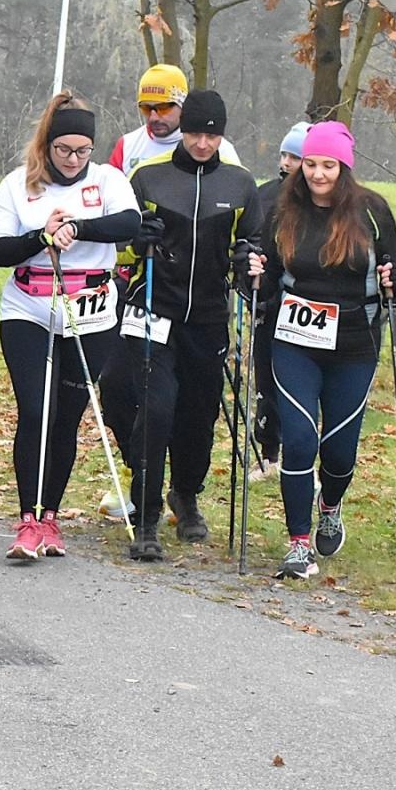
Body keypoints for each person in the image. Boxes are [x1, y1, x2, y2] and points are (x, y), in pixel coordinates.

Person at [0, 93, 140, 560]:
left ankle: (50, 515)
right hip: (29, 308)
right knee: (36, 410)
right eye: (64, 150)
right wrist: (41, 236)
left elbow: (129, 223)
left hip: (90, 312)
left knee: (67, 416)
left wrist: (78, 227)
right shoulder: (19, 184)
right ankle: (27, 519)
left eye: (82, 151)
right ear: (47, 146)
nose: (73, 160)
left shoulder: (108, 180)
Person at [258, 121, 396, 580]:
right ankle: (299, 544)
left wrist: (395, 281)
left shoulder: (372, 211)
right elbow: (264, 274)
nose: (318, 174)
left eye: (328, 165)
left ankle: (330, 505)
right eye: (310, 164)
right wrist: (251, 272)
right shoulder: (283, 211)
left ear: (344, 168)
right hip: (295, 342)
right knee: (299, 440)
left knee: (339, 452)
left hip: (355, 345)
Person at [120, 89, 259, 562]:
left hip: (209, 316)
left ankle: (185, 494)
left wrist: (248, 259)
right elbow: (119, 246)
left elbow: (255, 245)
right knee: (155, 411)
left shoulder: (239, 184)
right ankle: (145, 515)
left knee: (198, 415)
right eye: (196, 133)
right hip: (154, 310)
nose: (203, 143)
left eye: (212, 135)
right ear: (183, 130)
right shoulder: (148, 177)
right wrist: (136, 241)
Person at [246, 119, 312, 479]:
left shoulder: (320, 202)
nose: (287, 163)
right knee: (265, 379)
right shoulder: (265, 194)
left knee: (300, 384)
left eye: (295, 157)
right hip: (268, 304)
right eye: (285, 155)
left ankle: (301, 457)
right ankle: (268, 454)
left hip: (305, 306)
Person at [106, 63, 239, 177]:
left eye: (163, 108)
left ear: (183, 105)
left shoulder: (218, 149)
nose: (153, 117)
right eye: (146, 108)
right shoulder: (127, 146)